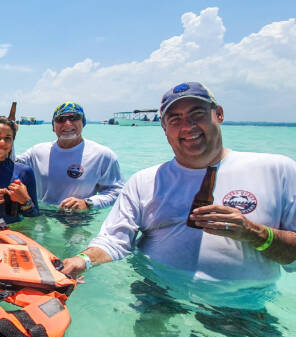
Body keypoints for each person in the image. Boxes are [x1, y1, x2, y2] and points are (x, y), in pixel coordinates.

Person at [62, 82, 296, 289]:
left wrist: (254, 233)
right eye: (175, 119)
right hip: (158, 296)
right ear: (164, 127)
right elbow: (114, 239)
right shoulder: (144, 180)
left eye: (197, 114)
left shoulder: (277, 169)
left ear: (219, 114)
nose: (187, 126)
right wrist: (81, 261)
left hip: (242, 311)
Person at [16, 102, 123, 212]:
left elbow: (117, 191)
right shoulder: (37, 151)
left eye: (74, 118)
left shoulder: (103, 155)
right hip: (42, 217)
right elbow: (6, 162)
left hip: (78, 220)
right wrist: (9, 134)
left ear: (83, 122)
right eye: (60, 119)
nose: (67, 124)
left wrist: (88, 203)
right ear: (53, 126)